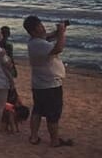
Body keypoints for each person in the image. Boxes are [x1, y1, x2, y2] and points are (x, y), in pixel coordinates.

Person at [23, 16, 73, 147]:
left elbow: (49, 37)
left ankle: (34, 137)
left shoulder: (34, 41)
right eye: (40, 26)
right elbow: (59, 48)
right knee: (53, 114)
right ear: (33, 31)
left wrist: (61, 30)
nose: (43, 27)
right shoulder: (39, 44)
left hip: (39, 84)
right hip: (50, 85)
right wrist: (61, 32)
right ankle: (55, 141)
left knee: (38, 110)